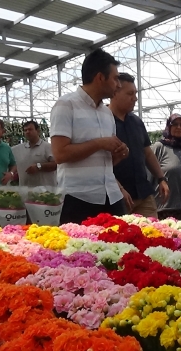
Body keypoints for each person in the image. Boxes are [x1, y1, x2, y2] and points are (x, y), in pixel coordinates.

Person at [50, 48, 130, 225]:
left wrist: (118, 153)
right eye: (115, 78)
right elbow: (60, 154)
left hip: (111, 196)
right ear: (100, 77)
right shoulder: (66, 105)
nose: (119, 84)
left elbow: (107, 162)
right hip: (79, 198)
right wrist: (100, 143)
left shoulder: (106, 113)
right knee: (80, 251)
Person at [110, 73, 169, 218]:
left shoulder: (136, 122)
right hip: (118, 196)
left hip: (143, 194)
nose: (135, 98)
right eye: (130, 93)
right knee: (121, 237)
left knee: (153, 233)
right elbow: (100, 163)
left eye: (135, 93)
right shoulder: (103, 121)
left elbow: (147, 152)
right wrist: (119, 188)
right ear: (114, 92)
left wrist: (161, 178)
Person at [12, 121, 57, 187]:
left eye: (30, 129)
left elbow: (56, 164)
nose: (27, 132)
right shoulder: (17, 149)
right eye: (25, 130)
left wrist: (39, 166)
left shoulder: (48, 147)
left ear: (38, 131)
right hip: (25, 190)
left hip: (45, 192)